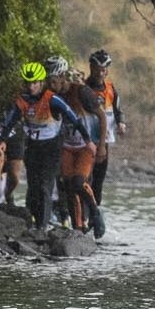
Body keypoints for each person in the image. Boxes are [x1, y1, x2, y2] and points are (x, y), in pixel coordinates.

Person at [6, 59, 80, 230]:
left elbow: (74, 118)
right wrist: (3, 139)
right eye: (28, 83)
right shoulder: (24, 99)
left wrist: (88, 140)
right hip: (33, 146)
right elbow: (10, 121)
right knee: (34, 185)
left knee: (49, 184)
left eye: (56, 80)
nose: (31, 87)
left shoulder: (57, 96)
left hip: (54, 146)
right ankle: (34, 218)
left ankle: (53, 220)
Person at [55, 69, 107, 236]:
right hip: (66, 146)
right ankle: (78, 228)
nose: (51, 85)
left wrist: (102, 145)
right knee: (69, 186)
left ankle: (95, 212)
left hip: (86, 145)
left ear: (62, 78)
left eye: (54, 81)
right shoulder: (52, 95)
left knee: (78, 182)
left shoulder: (81, 92)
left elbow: (102, 116)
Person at [86, 50, 121, 206]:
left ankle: (96, 209)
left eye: (103, 70)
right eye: (97, 69)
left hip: (103, 139)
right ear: (91, 68)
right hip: (85, 140)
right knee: (84, 177)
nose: (100, 73)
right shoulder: (83, 87)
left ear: (107, 70)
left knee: (99, 179)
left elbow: (118, 110)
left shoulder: (111, 88)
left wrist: (121, 123)